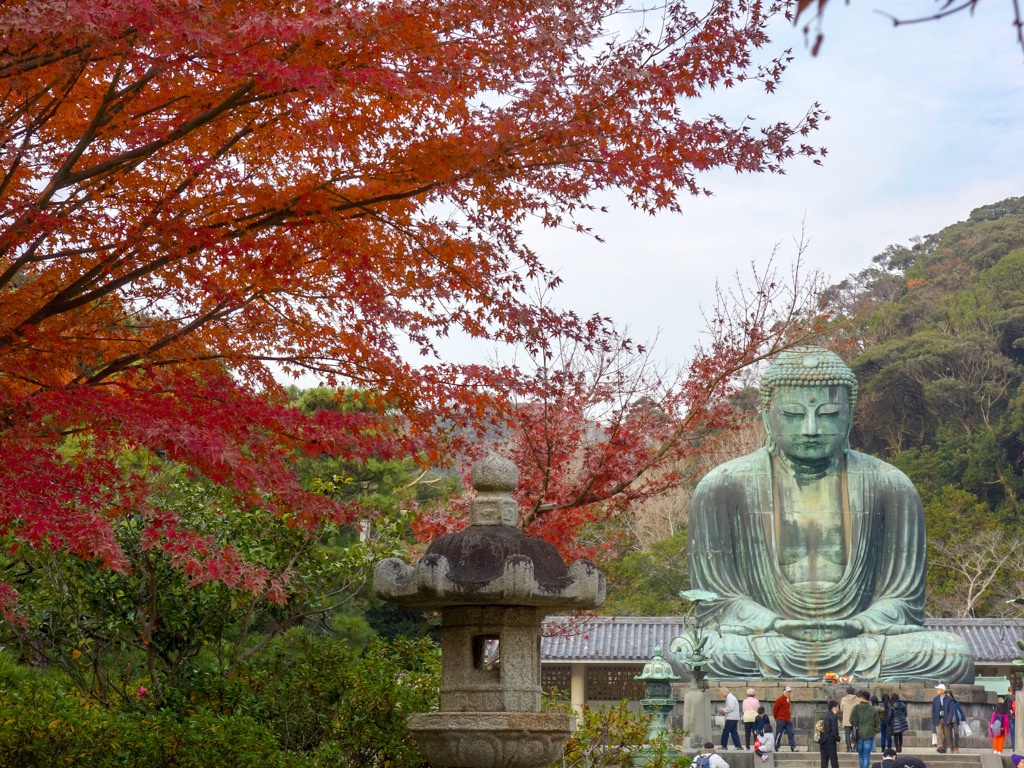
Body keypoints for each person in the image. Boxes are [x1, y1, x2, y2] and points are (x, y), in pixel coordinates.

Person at [674, 346, 975, 682]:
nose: (811, 428)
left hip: (859, 640)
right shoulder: (723, 486)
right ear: (765, 415)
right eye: (792, 414)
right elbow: (717, 603)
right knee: (689, 652)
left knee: (951, 653)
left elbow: (903, 601)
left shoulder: (890, 486)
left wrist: (859, 623)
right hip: (769, 641)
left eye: (829, 414)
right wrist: (773, 622)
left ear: (849, 416)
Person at [850, 689, 880, 768]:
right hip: (869, 734)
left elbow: (851, 720)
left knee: (861, 755)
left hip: (858, 734)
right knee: (866, 755)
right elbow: (877, 723)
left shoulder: (856, 708)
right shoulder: (873, 709)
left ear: (862, 698)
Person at [932, 683, 954, 754]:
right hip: (938, 719)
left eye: (938, 689)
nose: (937, 690)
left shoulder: (949, 699)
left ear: (942, 691)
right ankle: (939, 747)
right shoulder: (935, 699)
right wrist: (934, 719)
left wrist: (949, 719)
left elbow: (951, 710)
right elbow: (933, 710)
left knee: (946, 735)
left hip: (946, 719)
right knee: (939, 733)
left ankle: (944, 747)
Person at [773, 686, 796, 752]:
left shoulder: (788, 700)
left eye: (790, 692)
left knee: (790, 733)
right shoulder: (779, 700)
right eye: (788, 692)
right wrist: (776, 718)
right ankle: (777, 746)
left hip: (787, 719)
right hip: (780, 719)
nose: (789, 693)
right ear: (784, 692)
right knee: (779, 733)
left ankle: (793, 746)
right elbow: (775, 709)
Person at [819, 699, 841, 768]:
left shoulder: (823, 715)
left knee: (824, 760)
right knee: (833, 759)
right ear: (834, 708)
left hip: (823, 740)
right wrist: (838, 739)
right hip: (830, 740)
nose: (838, 709)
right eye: (837, 707)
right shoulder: (834, 716)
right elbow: (834, 730)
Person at [841, 687, 859, 753]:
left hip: (847, 719)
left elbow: (841, 709)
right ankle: (855, 747)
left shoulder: (843, 699)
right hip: (855, 719)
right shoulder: (857, 700)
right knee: (856, 733)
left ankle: (849, 748)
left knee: (847, 734)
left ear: (847, 692)